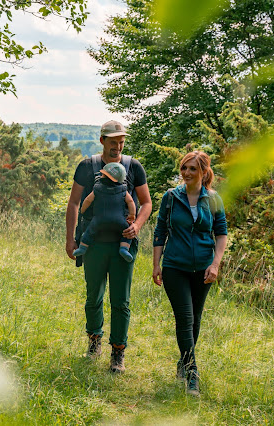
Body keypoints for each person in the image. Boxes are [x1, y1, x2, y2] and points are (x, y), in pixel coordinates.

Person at [66, 120, 152, 373]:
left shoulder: (133, 167)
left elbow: (146, 203)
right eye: (113, 141)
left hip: (122, 244)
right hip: (92, 244)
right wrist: (70, 238)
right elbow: (73, 203)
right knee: (93, 296)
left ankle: (118, 352)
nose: (118, 146)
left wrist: (136, 226)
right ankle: (94, 341)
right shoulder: (87, 166)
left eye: (121, 141)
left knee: (121, 301)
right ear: (102, 140)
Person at [151, 150, 228, 397]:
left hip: (203, 268)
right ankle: (192, 373)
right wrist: (156, 264)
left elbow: (221, 233)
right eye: (184, 168)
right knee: (184, 318)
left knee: (195, 319)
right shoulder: (171, 197)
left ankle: (183, 362)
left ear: (204, 172)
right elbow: (160, 230)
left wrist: (215, 264)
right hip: (175, 266)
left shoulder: (213, 199)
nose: (186, 173)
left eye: (192, 169)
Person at [72, 162, 137, 263]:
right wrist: (132, 215)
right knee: (127, 232)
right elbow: (130, 202)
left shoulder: (97, 188)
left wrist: (82, 210)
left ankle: (83, 248)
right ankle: (124, 248)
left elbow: (88, 200)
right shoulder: (123, 190)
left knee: (89, 231)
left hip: (98, 220)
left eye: (103, 174)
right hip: (119, 220)